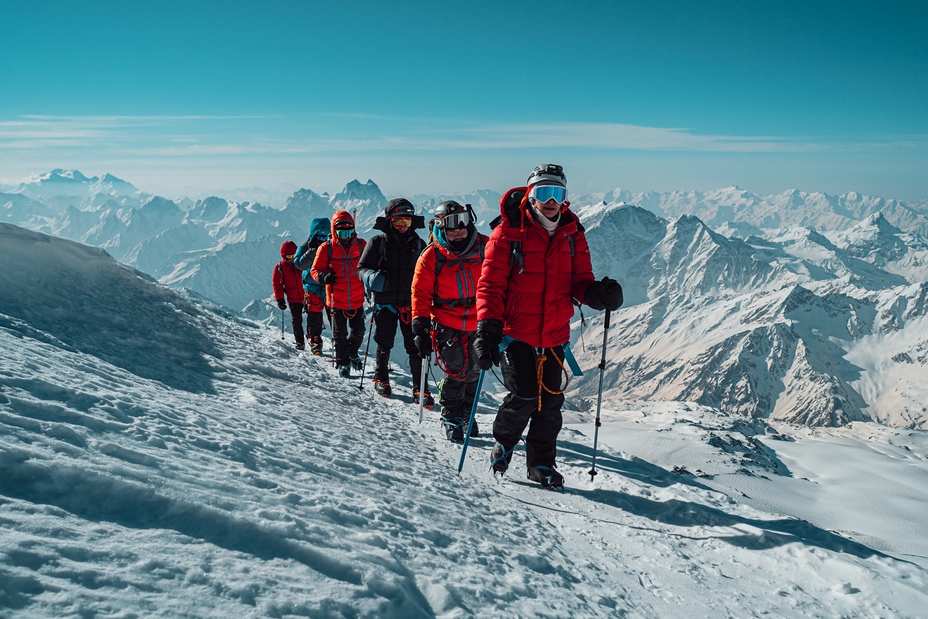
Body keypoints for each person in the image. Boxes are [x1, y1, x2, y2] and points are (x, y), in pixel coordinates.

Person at [473, 164, 623, 488]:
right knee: (525, 396)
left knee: (550, 403)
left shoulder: (573, 234)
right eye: (543, 192)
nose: (551, 200)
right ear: (531, 195)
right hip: (515, 334)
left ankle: (541, 463)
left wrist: (599, 294)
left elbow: (580, 281)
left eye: (558, 193)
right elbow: (490, 286)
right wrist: (486, 329)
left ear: (565, 199)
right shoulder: (507, 234)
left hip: (555, 335)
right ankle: (503, 443)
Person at [411, 201, 489, 442]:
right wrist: (420, 327)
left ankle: (467, 411)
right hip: (446, 321)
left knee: (475, 370)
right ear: (441, 228)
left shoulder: (486, 247)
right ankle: (451, 415)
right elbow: (420, 293)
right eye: (452, 228)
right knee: (457, 370)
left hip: (480, 321)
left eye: (462, 226)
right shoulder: (432, 256)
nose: (458, 232)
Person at [357, 198, 432, 403]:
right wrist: (371, 278)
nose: (402, 227)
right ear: (389, 220)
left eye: (406, 222)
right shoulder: (377, 242)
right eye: (398, 221)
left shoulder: (419, 244)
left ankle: (420, 388)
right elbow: (361, 268)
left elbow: (427, 272)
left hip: (411, 304)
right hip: (385, 303)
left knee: (415, 345)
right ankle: (381, 378)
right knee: (384, 342)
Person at [311, 211, 367, 378]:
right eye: (342, 233)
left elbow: (371, 264)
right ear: (335, 232)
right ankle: (343, 363)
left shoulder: (362, 245)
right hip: (336, 300)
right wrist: (323, 277)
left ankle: (351, 353)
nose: (346, 236)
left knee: (359, 330)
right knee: (339, 335)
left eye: (350, 232)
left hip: (357, 299)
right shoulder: (326, 249)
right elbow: (315, 271)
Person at [293, 217, 330, 355]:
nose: (322, 239)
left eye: (325, 236)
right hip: (313, 286)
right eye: (319, 236)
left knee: (335, 316)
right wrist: (311, 253)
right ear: (314, 235)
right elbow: (299, 264)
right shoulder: (306, 247)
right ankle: (315, 340)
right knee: (314, 316)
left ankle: (339, 342)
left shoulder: (331, 246)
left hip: (327, 286)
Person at [272, 240, 306, 350]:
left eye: (294, 255)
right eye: (289, 256)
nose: (292, 258)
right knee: (297, 320)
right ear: (284, 256)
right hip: (293, 298)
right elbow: (277, 285)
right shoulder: (280, 268)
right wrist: (280, 300)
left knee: (313, 318)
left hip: (306, 296)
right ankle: (300, 342)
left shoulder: (300, 263)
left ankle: (312, 336)